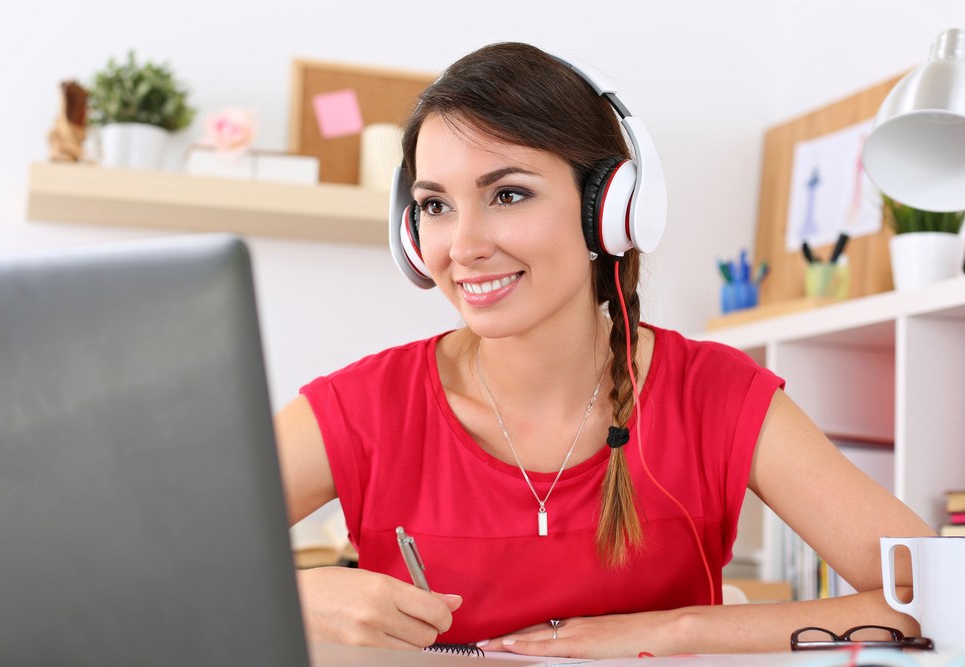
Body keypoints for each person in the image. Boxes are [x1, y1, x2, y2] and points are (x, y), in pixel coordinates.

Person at [274, 42, 933, 659]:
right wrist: (300, 593)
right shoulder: (363, 406)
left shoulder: (714, 394)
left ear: (608, 210)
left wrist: (679, 629)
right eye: (436, 205)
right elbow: (169, 552)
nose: (464, 244)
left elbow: (939, 599)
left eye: (507, 194)